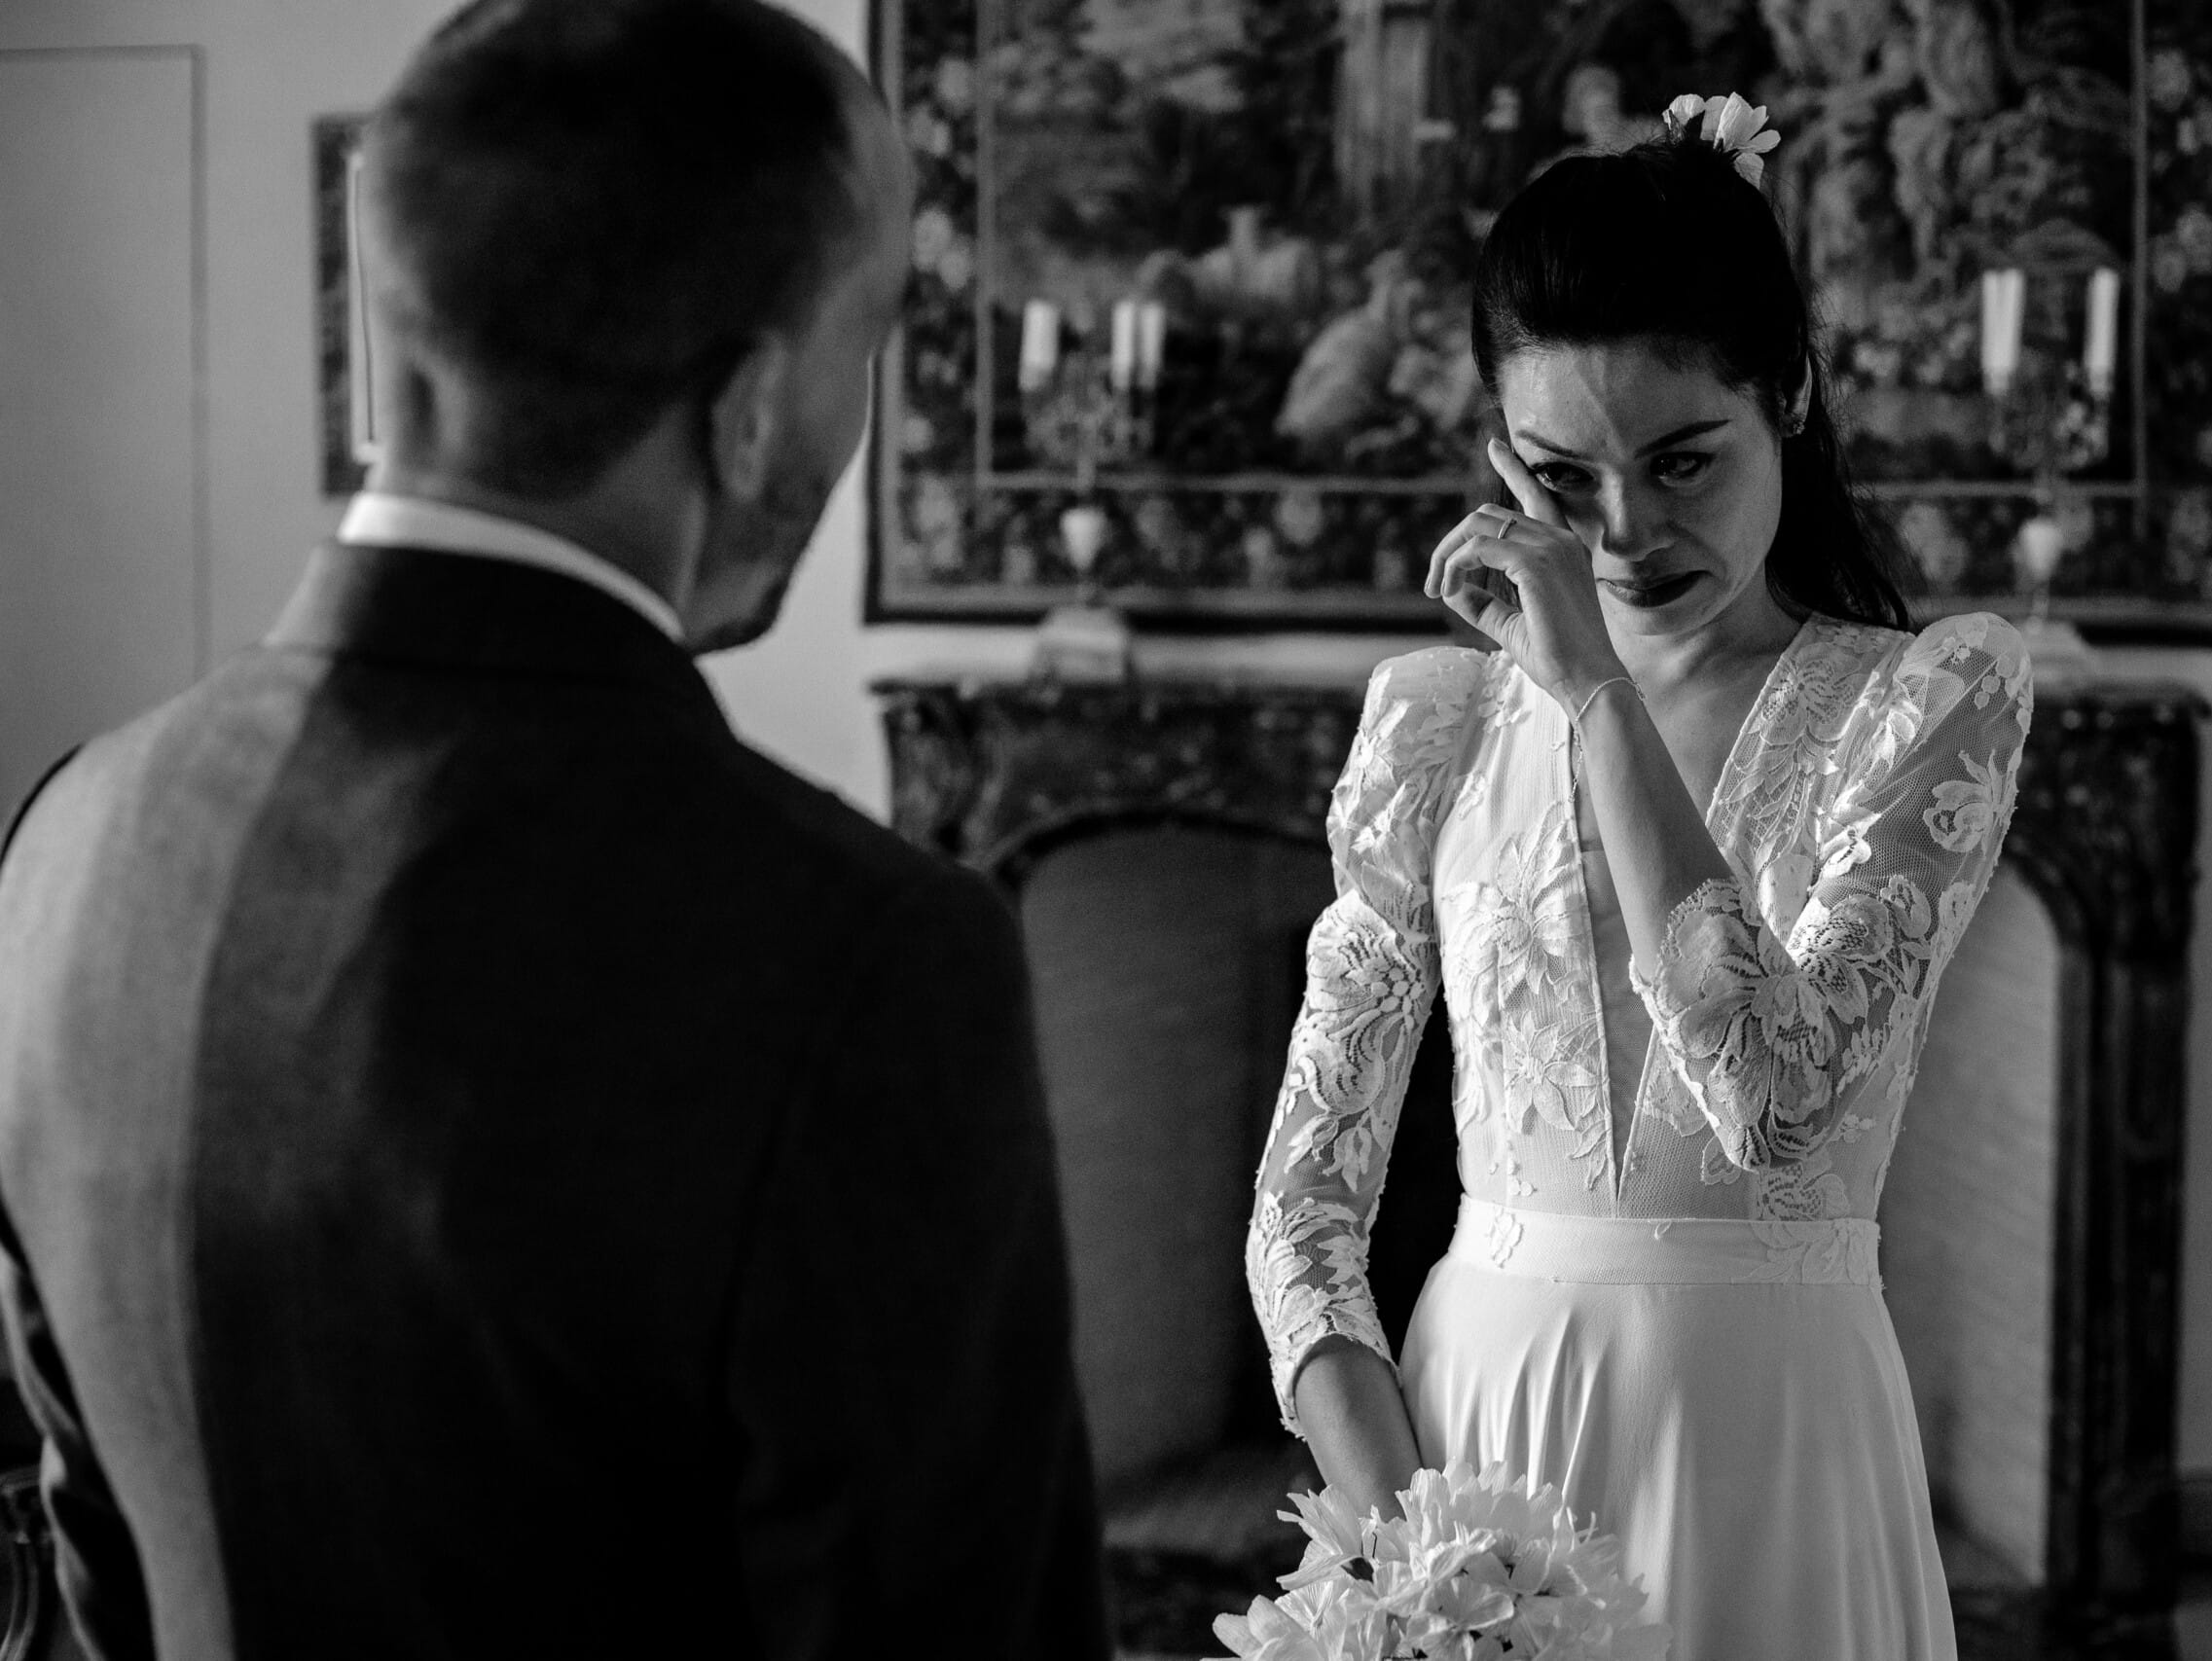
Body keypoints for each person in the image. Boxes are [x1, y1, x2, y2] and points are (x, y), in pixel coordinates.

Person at [0, 3, 1108, 1656]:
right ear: (747, 409)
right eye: (866, 338)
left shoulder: (73, 839)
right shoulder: (858, 955)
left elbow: (88, 1566)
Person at [1246, 96, 2031, 1660]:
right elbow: (1303, 1212)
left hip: (1774, 1445)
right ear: (1494, 460)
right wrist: (1417, 1563)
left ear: (1789, 397)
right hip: (1478, 1450)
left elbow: (1775, 1102)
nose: (1624, 533)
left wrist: (1599, 695)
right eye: (1559, 478)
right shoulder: (1433, 722)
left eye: (1682, 463)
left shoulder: (1931, 701)